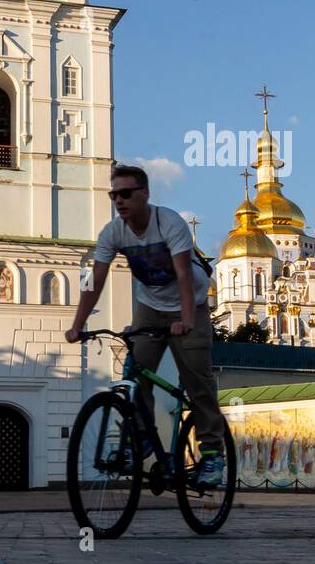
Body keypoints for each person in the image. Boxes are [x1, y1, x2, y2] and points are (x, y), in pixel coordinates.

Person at [65, 165, 226, 487]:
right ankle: (142, 439)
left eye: (126, 193)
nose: (119, 201)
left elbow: (182, 273)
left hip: (189, 304)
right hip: (150, 307)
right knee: (137, 375)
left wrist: (187, 320)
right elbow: (94, 280)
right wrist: (78, 325)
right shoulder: (113, 232)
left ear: (145, 194)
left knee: (198, 382)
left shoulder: (168, 222)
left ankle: (212, 454)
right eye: (114, 195)